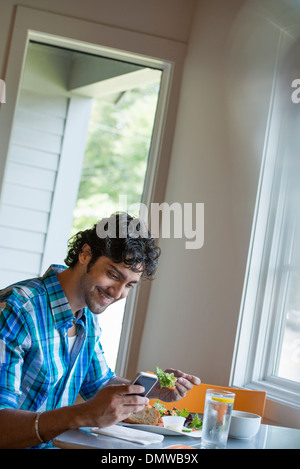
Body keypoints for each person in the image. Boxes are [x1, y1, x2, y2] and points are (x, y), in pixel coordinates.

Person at [0, 212, 200, 448]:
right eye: (113, 275)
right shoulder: (17, 310)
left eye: (129, 285)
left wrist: (152, 389)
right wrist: (81, 414)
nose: (117, 293)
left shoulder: (87, 317)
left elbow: (99, 383)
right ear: (85, 254)